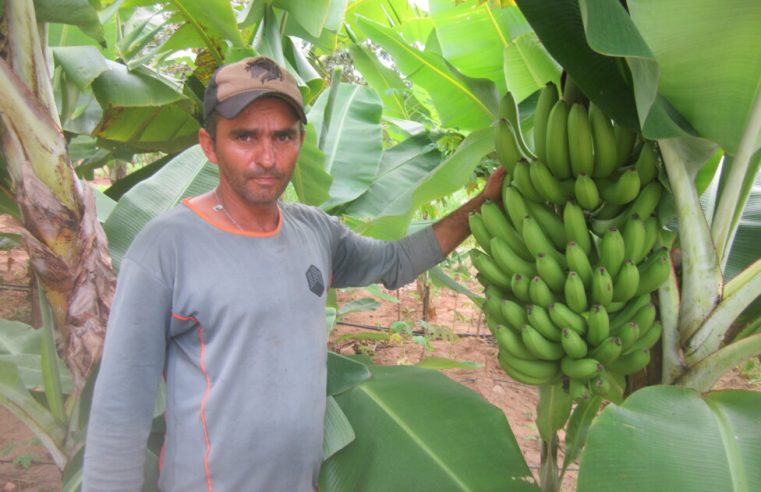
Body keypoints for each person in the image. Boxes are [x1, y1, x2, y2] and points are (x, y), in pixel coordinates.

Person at [82, 55, 505, 491]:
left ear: (300, 140)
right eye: (245, 136)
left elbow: (395, 261)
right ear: (209, 145)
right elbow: (121, 407)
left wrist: (484, 205)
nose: (267, 157)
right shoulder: (166, 247)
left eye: (283, 136)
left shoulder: (314, 231)